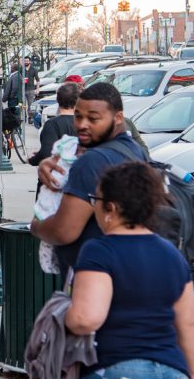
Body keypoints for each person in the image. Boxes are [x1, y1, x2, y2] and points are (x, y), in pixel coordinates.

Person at [64, 162, 194, 379]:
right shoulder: (172, 255)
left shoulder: (99, 251)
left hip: (116, 371)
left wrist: (63, 315)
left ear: (111, 208)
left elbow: (85, 319)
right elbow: (188, 324)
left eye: (95, 200)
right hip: (171, 373)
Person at [30, 83, 147, 278]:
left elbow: (63, 231)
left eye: (93, 119)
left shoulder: (91, 162)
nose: (82, 124)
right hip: (131, 271)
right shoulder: (134, 150)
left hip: (96, 275)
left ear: (118, 118)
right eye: (78, 116)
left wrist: (36, 226)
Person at [29, 82, 80, 195]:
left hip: (53, 181)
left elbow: (47, 153)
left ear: (58, 100)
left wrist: (33, 160)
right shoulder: (82, 124)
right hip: (76, 182)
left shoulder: (52, 125)